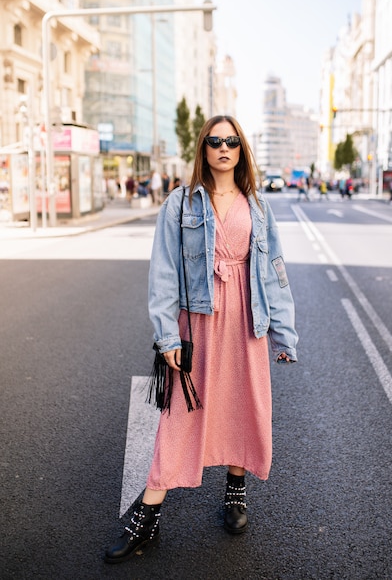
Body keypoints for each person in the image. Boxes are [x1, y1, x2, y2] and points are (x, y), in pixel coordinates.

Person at [104, 115, 298, 564]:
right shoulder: (181, 203)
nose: (224, 147)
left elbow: (274, 272)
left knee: (243, 404)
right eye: (215, 141)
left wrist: (284, 334)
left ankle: (235, 492)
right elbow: (164, 273)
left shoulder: (258, 206)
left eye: (232, 141)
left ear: (241, 149)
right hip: (199, 325)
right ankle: (147, 518)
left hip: (246, 322)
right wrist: (166, 336)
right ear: (204, 149)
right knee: (181, 415)